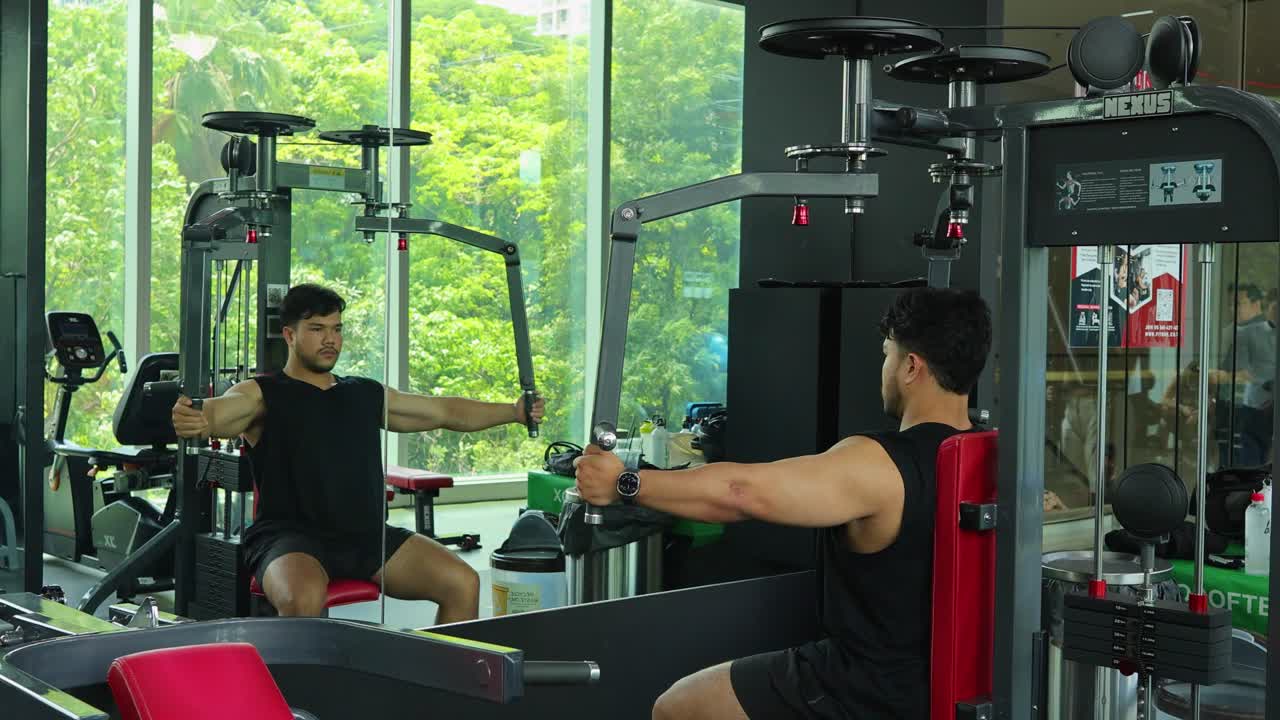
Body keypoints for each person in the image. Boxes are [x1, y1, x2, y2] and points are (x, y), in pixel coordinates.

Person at [575, 287, 992, 720]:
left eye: (888, 354)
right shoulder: (992, 459)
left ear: (910, 366)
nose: (883, 368)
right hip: (953, 689)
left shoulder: (880, 465)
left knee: (676, 708)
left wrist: (624, 483)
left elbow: (741, 492)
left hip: (866, 689)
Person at [171, 283, 544, 621]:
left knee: (462, 582)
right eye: (317, 329)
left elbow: (445, 411)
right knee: (303, 601)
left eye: (336, 329)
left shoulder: (363, 392)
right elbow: (221, 412)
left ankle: (439, 693)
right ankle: (299, 698)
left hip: (366, 537)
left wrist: (512, 412)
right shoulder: (263, 393)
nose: (330, 339)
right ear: (289, 335)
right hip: (289, 537)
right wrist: (197, 418)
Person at [1211, 283, 1275, 466]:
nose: (1233, 309)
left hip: (1251, 412)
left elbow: (1255, 374)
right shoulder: (1233, 331)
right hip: (1229, 410)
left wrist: (1220, 376)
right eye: (1231, 304)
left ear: (1256, 304)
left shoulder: (1265, 333)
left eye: (1239, 303)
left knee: (1247, 470)